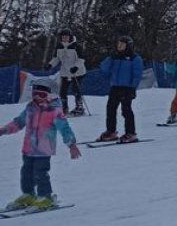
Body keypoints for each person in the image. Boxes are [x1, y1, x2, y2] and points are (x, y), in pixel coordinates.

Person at [1, 80, 81, 211]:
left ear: (49, 96)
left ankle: (46, 197)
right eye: (35, 94)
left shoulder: (54, 111)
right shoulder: (30, 108)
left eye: (41, 95)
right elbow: (19, 122)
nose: (37, 98)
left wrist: (71, 144)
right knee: (26, 172)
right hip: (28, 148)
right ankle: (28, 194)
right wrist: (4, 130)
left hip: (44, 149)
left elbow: (65, 129)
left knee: (40, 173)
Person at [97, 36, 143, 143]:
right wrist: (110, 58)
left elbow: (137, 74)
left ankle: (131, 133)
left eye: (122, 44)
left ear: (128, 45)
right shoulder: (115, 58)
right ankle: (111, 131)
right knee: (110, 109)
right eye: (118, 44)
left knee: (126, 110)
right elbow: (104, 68)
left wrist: (133, 88)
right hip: (115, 86)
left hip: (127, 87)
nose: (119, 46)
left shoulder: (135, 58)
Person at [48, 28, 87, 116]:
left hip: (77, 72)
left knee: (75, 89)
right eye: (63, 36)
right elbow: (56, 58)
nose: (65, 38)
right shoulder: (59, 46)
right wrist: (50, 64)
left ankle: (80, 108)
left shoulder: (76, 46)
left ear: (70, 37)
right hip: (65, 72)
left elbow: (81, 59)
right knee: (62, 91)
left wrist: (76, 67)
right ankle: (64, 109)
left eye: (66, 36)